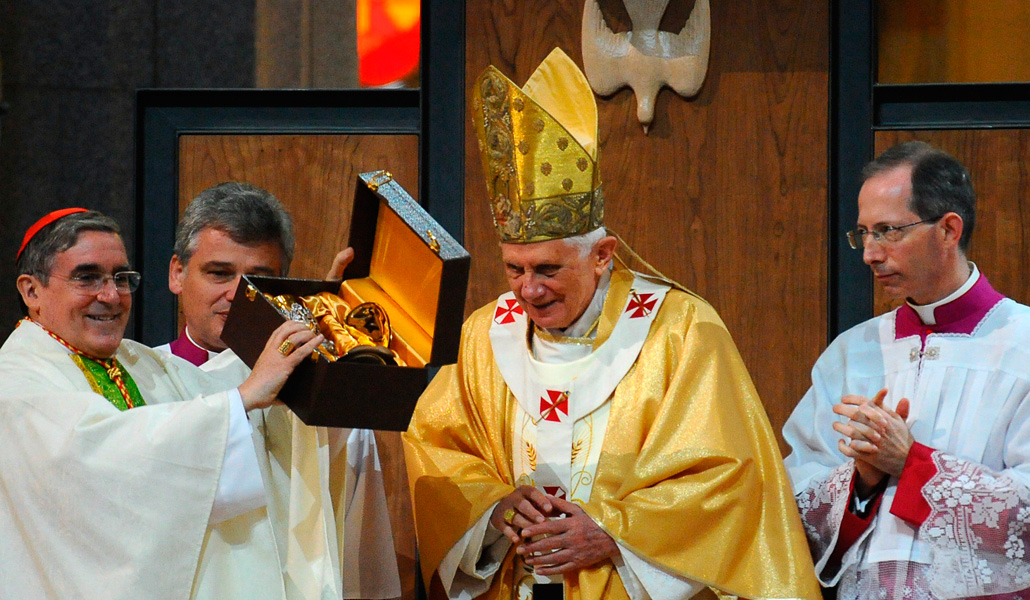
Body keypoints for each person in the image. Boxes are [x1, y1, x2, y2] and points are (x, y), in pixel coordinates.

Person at [402, 48, 820, 600]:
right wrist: (494, 504)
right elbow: (437, 451)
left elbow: (730, 478)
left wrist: (614, 533)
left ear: (602, 255)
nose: (528, 289)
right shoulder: (485, 333)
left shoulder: (681, 329)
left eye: (548, 269)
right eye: (514, 268)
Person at [0, 207, 349, 599]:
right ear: (32, 291)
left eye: (121, 278)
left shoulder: (134, 360)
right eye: (88, 278)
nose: (111, 296)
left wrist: (314, 317)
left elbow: (221, 390)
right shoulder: (18, 380)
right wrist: (244, 398)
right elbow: (98, 462)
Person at [783, 141, 1030, 598]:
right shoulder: (849, 353)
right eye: (863, 233)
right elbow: (793, 499)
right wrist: (863, 479)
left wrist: (912, 464)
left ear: (948, 230)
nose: (869, 254)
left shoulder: (1022, 344)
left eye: (888, 231)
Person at [155, 181, 401, 599]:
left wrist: (333, 341)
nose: (235, 294)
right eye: (219, 273)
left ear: (285, 285)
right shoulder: (142, 380)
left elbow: (357, 538)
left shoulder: (317, 397)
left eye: (257, 280)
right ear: (177, 273)